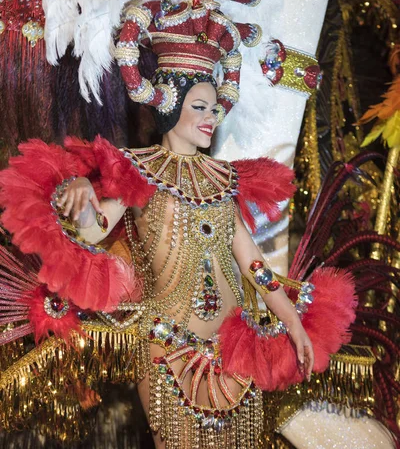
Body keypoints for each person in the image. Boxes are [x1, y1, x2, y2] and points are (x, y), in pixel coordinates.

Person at [56, 79, 314, 448]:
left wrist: (292, 321)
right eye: (199, 107)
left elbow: (255, 267)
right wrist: (80, 190)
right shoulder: (140, 171)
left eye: (213, 109)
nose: (210, 117)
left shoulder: (222, 181)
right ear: (168, 108)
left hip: (233, 348)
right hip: (168, 346)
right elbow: (94, 232)